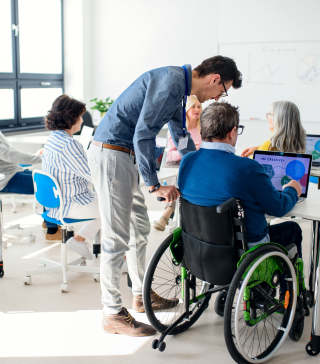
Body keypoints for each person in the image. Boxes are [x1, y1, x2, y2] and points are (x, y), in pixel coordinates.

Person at [88, 55, 243, 336]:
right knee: (115, 238)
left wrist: (198, 161)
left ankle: (140, 293)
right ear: (215, 78)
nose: (217, 97)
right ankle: (111, 312)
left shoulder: (179, 87)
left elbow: (178, 131)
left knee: (140, 230)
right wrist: (154, 184)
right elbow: (143, 133)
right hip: (112, 155)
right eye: (223, 90)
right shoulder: (172, 81)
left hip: (126, 157)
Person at [178, 101, 304, 262]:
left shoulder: (187, 161)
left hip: (199, 246)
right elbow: (278, 208)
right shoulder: (248, 168)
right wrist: (292, 190)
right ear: (232, 132)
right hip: (244, 250)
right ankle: (290, 286)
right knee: (293, 229)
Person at [0, 98, 60, 240]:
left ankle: (48, 222)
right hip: (2, 180)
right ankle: (52, 231)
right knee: (48, 185)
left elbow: (8, 153)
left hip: (10, 172)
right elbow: (9, 155)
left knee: (46, 179)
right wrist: (40, 159)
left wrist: (34, 156)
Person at [42, 95, 101, 259]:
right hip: (70, 204)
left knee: (105, 204)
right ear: (71, 118)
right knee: (115, 208)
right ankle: (120, 259)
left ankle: (79, 239)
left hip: (55, 204)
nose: (82, 121)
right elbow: (93, 176)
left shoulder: (53, 138)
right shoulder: (70, 144)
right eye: (80, 117)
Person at [154, 95, 203, 231]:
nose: (197, 109)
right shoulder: (180, 130)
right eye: (193, 106)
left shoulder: (202, 130)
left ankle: (168, 212)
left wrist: (197, 150)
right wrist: (189, 150)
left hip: (193, 165)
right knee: (178, 178)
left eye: (199, 106)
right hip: (175, 164)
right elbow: (171, 155)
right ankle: (169, 209)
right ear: (187, 109)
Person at [240, 101, 306, 157]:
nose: (268, 118)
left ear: (278, 119)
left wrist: (261, 149)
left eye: (270, 114)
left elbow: (249, 168)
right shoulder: (299, 146)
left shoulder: (269, 146)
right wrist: (258, 148)